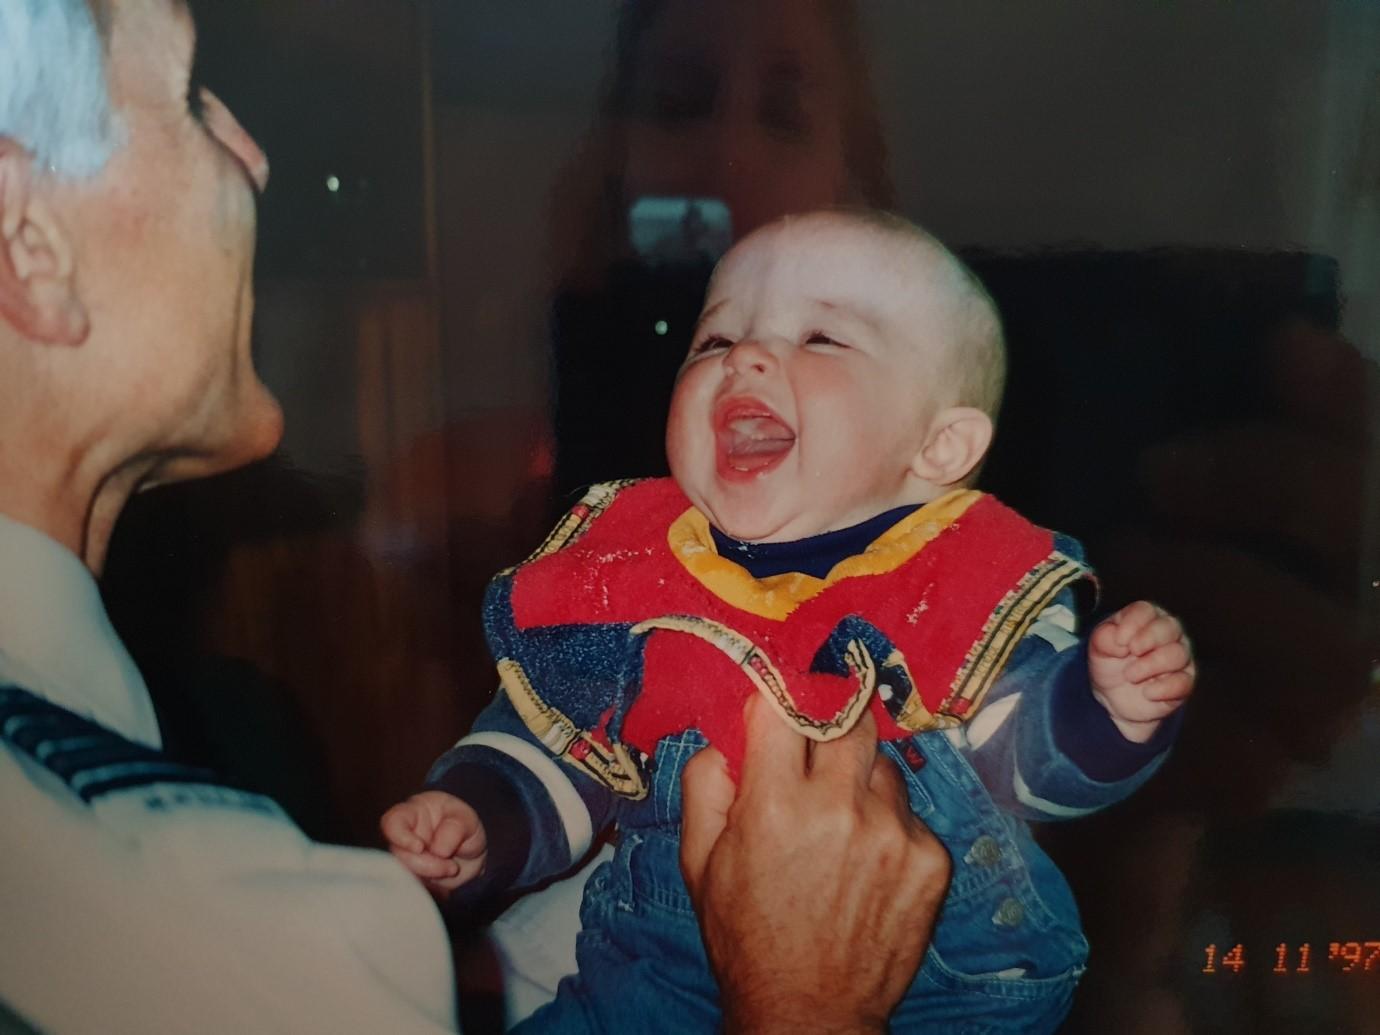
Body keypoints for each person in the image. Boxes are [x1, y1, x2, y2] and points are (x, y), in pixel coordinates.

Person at [0, 2, 950, 1032]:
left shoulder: (938, 541)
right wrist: (805, 999)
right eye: (189, 100)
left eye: (784, 114)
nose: (256, 158)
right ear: (27, 238)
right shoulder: (248, 930)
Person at [383, 210, 1198, 1031]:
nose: (744, 354)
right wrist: (484, 817)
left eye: (822, 339)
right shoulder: (638, 569)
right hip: (645, 975)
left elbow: (1024, 760)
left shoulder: (965, 572)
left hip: (939, 984)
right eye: (712, 340)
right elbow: (562, 745)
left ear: (940, 447)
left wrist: (1107, 708)